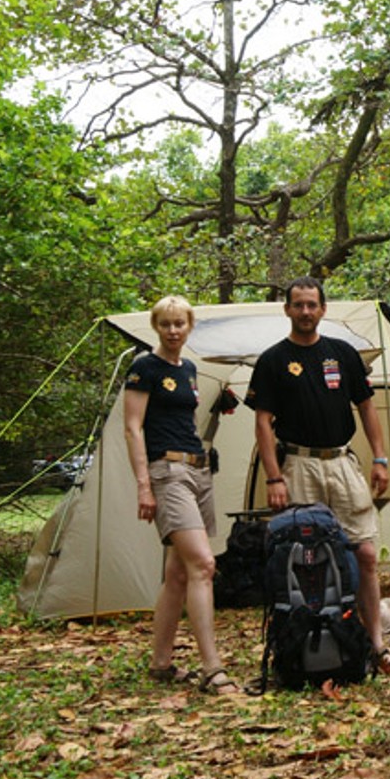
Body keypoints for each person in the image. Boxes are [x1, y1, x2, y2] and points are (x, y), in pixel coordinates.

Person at [250, 277, 390, 675]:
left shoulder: (343, 355)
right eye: (297, 305)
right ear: (287, 309)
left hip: (342, 463)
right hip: (298, 464)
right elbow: (263, 423)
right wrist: (273, 478)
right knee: (304, 557)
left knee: (365, 553)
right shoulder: (272, 360)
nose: (305, 312)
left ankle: (375, 645)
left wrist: (380, 458)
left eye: (311, 305)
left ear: (323, 309)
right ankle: (306, 644)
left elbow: (367, 408)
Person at [125, 295, 240, 694]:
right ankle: (212, 668)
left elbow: (187, 418)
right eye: (166, 324)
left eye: (180, 324)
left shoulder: (189, 369)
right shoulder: (144, 368)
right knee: (203, 565)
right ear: (156, 327)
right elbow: (133, 427)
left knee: (177, 573)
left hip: (197, 469)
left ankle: (161, 664)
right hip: (167, 472)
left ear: (189, 327)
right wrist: (144, 484)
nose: (173, 331)